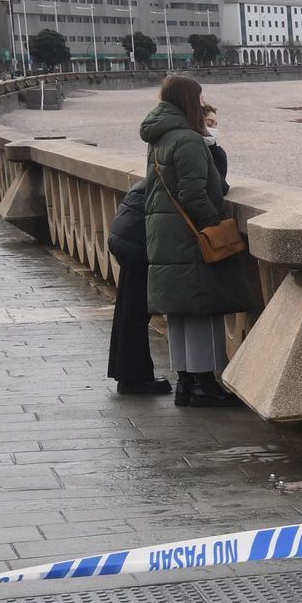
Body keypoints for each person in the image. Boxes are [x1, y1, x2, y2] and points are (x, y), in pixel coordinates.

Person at [141, 74, 254, 408]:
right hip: (190, 237)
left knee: (179, 312)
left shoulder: (159, 138)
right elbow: (195, 192)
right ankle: (205, 384)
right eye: (199, 96)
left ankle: (187, 384)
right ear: (189, 100)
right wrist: (217, 224)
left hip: (165, 235)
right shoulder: (188, 140)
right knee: (204, 308)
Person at [105, 164, 172, 397]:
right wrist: (214, 147)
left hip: (127, 228)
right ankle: (133, 379)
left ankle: (129, 376)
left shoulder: (162, 137)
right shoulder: (190, 141)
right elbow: (214, 186)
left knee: (129, 309)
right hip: (139, 237)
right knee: (135, 311)